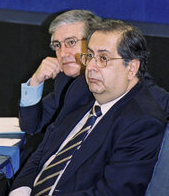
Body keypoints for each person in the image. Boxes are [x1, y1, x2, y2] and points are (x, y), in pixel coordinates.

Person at [10, 20, 166, 196]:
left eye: (103, 58)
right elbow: (44, 150)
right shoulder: (81, 90)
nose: (91, 67)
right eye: (90, 56)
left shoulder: (143, 122)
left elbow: (112, 193)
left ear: (131, 68)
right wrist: (20, 189)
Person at [19, 9, 101, 135]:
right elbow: (31, 126)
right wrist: (35, 82)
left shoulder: (105, 83)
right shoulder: (64, 80)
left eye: (71, 42)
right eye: (58, 45)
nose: (63, 54)